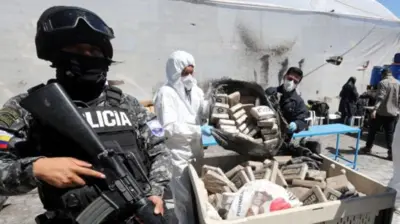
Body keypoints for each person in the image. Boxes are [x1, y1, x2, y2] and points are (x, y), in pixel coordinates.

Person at [0, 6, 172, 223]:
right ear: (57, 54)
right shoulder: (27, 108)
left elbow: (160, 151)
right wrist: (36, 168)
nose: (87, 57)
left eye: (94, 51)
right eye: (77, 50)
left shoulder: (129, 106)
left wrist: (155, 191)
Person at [153, 50, 209, 224]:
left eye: (192, 72)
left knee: (199, 195)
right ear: (175, 72)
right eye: (185, 73)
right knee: (183, 199)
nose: (189, 77)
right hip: (177, 154)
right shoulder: (165, 94)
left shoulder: (196, 91)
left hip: (196, 151)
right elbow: (168, 128)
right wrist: (197, 131)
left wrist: (214, 107)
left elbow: (203, 111)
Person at [361, 68, 400, 160]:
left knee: (372, 130)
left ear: (383, 75)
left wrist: (375, 109)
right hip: (393, 113)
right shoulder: (398, 83)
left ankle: (368, 148)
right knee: (390, 134)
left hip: (381, 112)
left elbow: (380, 97)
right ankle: (391, 153)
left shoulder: (383, 82)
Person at [265, 67, 309, 138]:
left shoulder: (299, 102)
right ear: (285, 76)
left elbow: (302, 120)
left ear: (298, 84)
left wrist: (296, 124)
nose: (291, 82)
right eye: (290, 79)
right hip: (265, 133)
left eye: (295, 81)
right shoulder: (270, 92)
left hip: (283, 138)